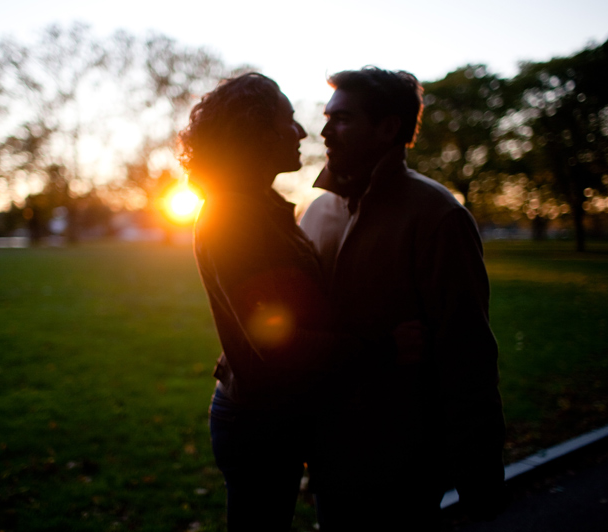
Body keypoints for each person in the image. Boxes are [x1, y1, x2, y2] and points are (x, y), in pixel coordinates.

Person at [178, 73, 419, 531]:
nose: (303, 133)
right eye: (287, 120)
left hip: (274, 416)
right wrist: (382, 347)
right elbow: (278, 342)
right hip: (258, 423)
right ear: (253, 132)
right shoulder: (233, 215)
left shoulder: (259, 205)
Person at [299, 66, 507, 530]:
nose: (325, 129)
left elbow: (467, 351)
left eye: (344, 118)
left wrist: (479, 475)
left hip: (404, 462)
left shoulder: (438, 216)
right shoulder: (315, 211)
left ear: (389, 127)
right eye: (328, 116)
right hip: (327, 453)